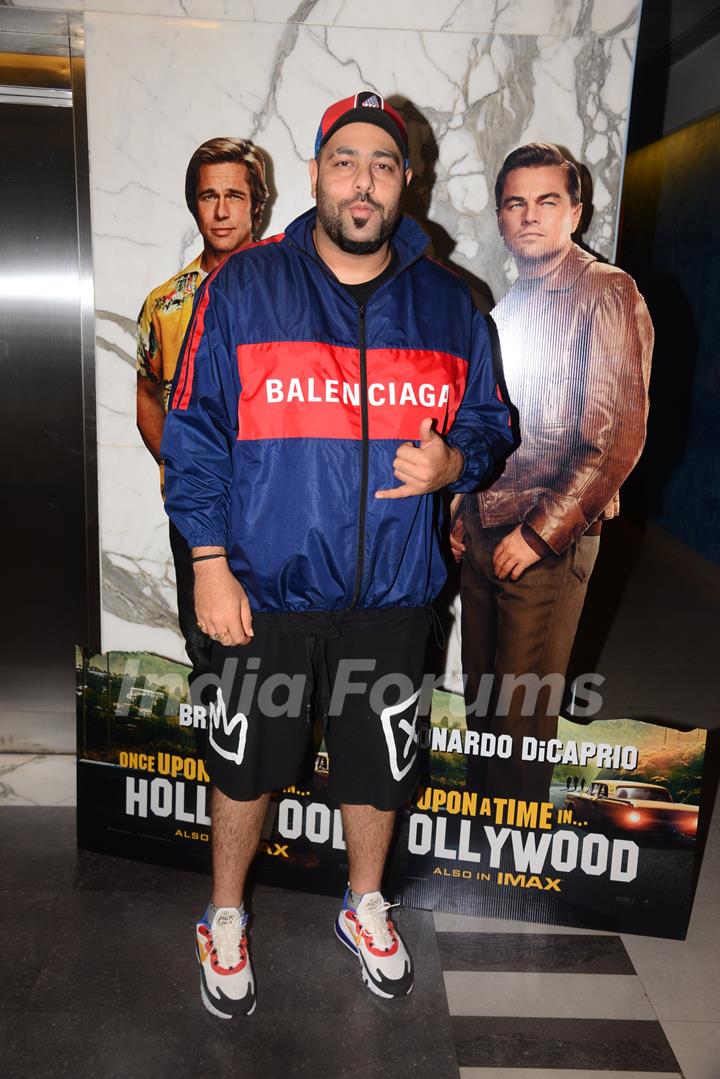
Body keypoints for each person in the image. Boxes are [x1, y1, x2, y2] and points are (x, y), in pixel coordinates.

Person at [161, 91, 513, 1018]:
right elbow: (193, 432)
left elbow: (489, 421)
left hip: (394, 591)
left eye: (384, 165)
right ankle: (224, 914)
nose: (364, 182)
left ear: (407, 182)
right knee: (245, 763)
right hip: (265, 591)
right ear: (317, 173)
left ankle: (365, 904)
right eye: (347, 161)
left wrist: (455, 458)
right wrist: (207, 560)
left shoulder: (450, 301)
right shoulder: (244, 289)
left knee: (378, 764)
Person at [454, 142, 653, 803]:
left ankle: (509, 854)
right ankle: (480, 836)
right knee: (483, 703)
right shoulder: (510, 306)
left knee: (521, 714)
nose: (530, 216)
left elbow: (613, 439)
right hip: (487, 530)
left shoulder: (607, 292)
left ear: (575, 212)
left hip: (549, 536)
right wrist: (463, 510)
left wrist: (539, 534)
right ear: (502, 219)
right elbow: (486, 421)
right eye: (516, 203)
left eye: (547, 202)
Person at [136, 137, 269, 695]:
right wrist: (187, 467)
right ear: (194, 203)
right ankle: (220, 767)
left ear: (256, 205)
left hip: (270, 504)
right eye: (208, 196)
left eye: (234, 196)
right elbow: (147, 394)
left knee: (274, 645)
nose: (220, 211)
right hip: (195, 508)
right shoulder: (165, 303)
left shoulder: (286, 291)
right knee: (208, 643)